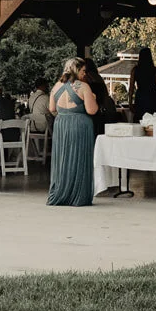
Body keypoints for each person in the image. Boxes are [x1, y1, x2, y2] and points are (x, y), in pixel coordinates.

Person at [46, 58, 98, 207]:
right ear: (76, 70)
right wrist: (93, 98)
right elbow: (92, 110)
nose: (84, 74)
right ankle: (77, 196)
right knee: (79, 158)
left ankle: (61, 193)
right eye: (82, 71)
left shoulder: (56, 86)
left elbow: (52, 108)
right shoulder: (84, 87)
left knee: (63, 159)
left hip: (62, 125)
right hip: (79, 125)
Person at [130, 47, 156, 119]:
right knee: (153, 120)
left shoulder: (135, 70)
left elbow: (131, 88)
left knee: (140, 119)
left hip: (140, 98)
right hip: (152, 97)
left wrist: (130, 102)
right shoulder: (154, 70)